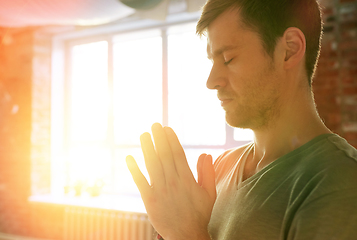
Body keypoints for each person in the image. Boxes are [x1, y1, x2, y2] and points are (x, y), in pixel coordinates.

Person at [126, 0, 357, 239]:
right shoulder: (221, 168)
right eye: (212, 62)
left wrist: (188, 234)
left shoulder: (340, 183)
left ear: (289, 49)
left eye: (228, 59)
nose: (211, 81)